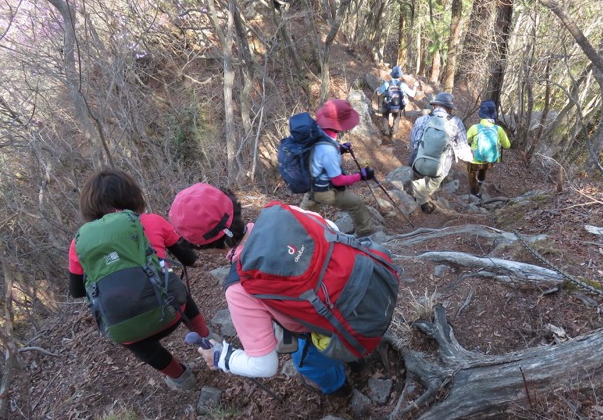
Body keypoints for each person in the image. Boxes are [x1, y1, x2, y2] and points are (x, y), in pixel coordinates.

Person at [168, 184, 350, 396]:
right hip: (357, 294)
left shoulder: (239, 287)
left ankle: (340, 390)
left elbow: (264, 366)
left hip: (327, 327)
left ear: (199, 247)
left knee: (306, 361)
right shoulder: (286, 212)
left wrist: (221, 357)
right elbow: (334, 233)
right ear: (233, 205)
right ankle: (358, 360)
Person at [67, 169, 212, 391]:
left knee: (141, 347)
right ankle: (208, 341)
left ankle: (182, 378)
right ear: (133, 196)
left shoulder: (79, 243)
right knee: (176, 288)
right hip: (173, 311)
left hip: (127, 329)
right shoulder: (151, 221)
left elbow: (77, 291)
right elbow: (187, 258)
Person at [299, 98, 376, 237]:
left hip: (310, 186)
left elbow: (318, 156)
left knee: (302, 219)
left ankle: (299, 237)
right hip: (324, 191)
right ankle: (366, 235)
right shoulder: (328, 150)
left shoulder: (316, 132)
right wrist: (362, 176)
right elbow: (338, 181)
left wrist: (340, 149)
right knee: (356, 204)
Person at [409, 92, 473, 214]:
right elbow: (462, 150)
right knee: (437, 178)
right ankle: (424, 199)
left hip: (419, 162)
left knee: (416, 177)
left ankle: (421, 199)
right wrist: (471, 157)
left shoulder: (421, 119)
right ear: (449, 109)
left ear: (434, 106)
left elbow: (413, 141)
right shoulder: (456, 123)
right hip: (440, 167)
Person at [466, 101, 511, 199]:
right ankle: (481, 182)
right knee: (484, 166)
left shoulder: (474, 128)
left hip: (475, 160)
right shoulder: (498, 129)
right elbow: (507, 145)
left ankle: (474, 192)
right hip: (490, 160)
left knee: (471, 171)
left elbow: (466, 140)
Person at [375, 65, 417, 136]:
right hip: (398, 107)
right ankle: (393, 133)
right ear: (400, 76)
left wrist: (378, 91)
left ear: (391, 75)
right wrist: (415, 86)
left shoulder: (387, 84)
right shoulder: (403, 85)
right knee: (397, 118)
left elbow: (379, 93)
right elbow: (412, 94)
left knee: (385, 115)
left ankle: (386, 131)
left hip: (387, 106)